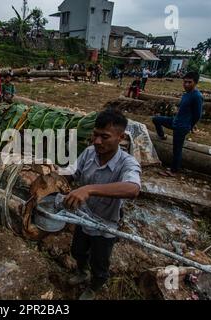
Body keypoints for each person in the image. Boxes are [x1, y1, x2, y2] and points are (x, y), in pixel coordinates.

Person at [64, 108, 141, 300]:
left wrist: (89, 189)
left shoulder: (127, 163)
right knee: (78, 251)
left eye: (104, 137)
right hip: (83, 217)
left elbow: (132, 189)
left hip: (105, 224)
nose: (97, 141)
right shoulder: (89, 152)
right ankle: (82, 272)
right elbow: (72, 171)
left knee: (100, 262)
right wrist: (51, 170)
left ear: (120, 137)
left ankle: (94, 286)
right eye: (95, 135)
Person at [152, 72, 203, 175]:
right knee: (156, 119)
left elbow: (197, 115)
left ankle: (174, 171)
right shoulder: (186, 94)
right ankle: (162, 136)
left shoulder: (197, 96)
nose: (186, 84)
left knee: (177, 149)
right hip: (175, 121)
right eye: (185, 82)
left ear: (195, 83)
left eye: (189, 82)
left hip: (182, 126)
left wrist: (190, 126)